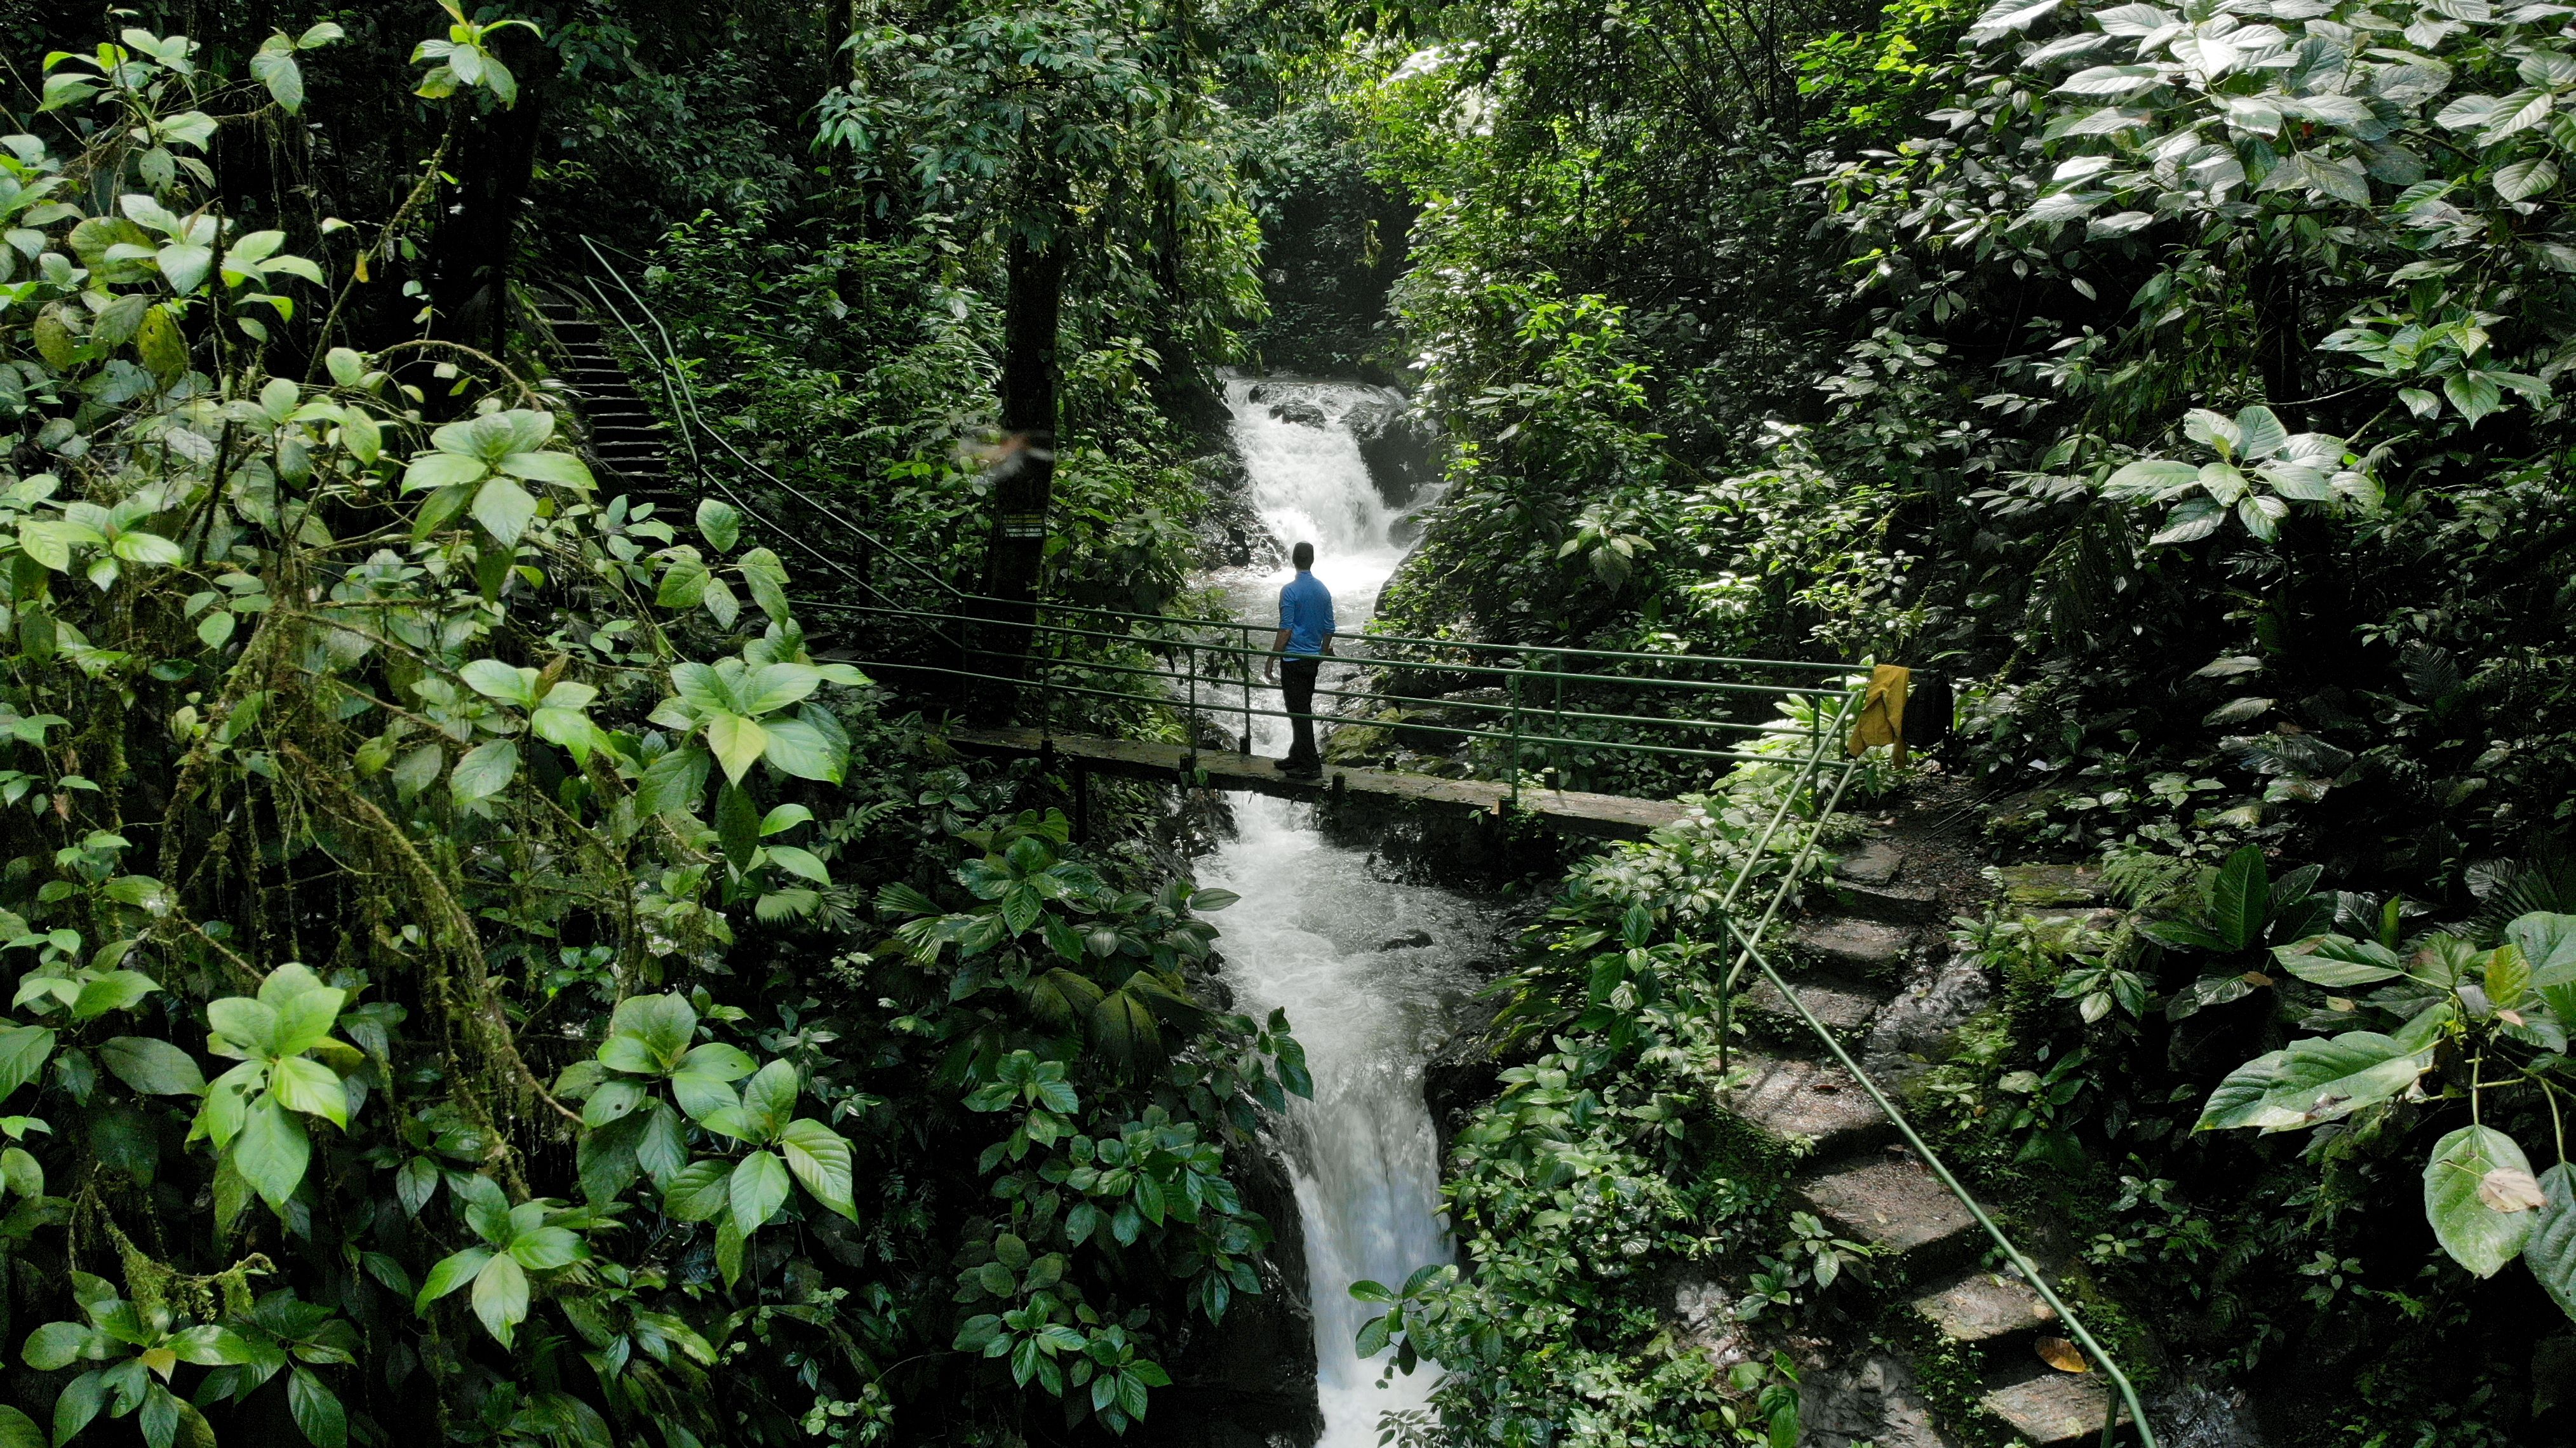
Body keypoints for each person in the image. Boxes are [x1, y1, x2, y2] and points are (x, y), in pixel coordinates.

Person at [1263, 541, 1334, 779]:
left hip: (1293, 660)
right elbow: (1329, 627)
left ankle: (1312, 765)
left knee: (1299, 711)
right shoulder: (1323, 590)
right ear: (1312, 560)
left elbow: (1285, 630)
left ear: (1293, 560)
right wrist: (1322, 653)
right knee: (1301, 709)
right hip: (1312, 660)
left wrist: (1272, 657)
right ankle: (1297, 754)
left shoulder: (1290, 591)